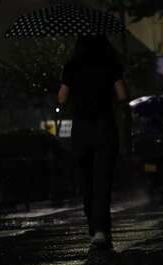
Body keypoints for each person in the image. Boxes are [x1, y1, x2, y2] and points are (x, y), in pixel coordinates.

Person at [58, 35, 127, 250]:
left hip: (81, 130)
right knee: (102, 181)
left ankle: (92, 228)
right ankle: (101, 230)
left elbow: (61, 98)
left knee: (86, 180)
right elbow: (123, 95)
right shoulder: (110, 65)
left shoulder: (72, 66)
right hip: (105, 128)